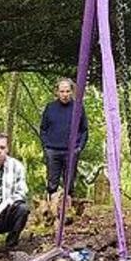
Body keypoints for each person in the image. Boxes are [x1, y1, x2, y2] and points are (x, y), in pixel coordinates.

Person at [39, 78, 88, 213]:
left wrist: (79, 148)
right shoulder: (50, 107)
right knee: (52, 182)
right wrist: (46, 146)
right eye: (62, 91)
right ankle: (51, 211)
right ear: (57, 92)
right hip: (52, 150)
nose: (65, 94)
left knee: (69, 182)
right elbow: (43, 128)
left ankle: (69, 211)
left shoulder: (78, 108)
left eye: (67, 91)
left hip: (71, 151)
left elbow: (84, 130)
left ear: (72, 92)